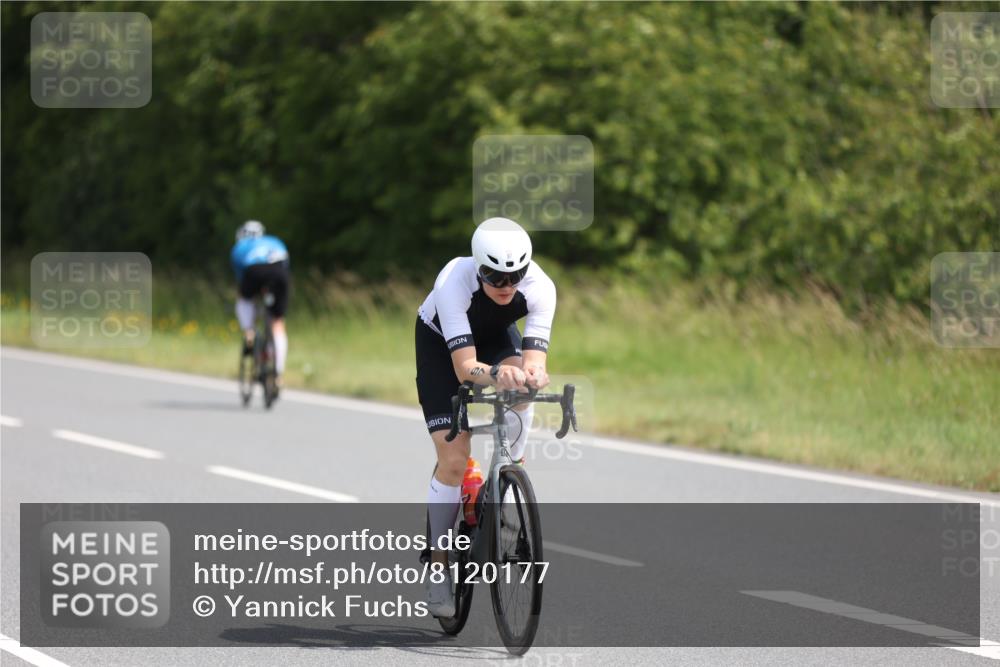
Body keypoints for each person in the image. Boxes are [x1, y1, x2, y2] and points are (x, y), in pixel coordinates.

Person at [415, 217, 556, 617]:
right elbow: (464, 368)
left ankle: (510, 466)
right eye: (495, 277)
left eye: (515, 276)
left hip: (494, 336)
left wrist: (533, 374)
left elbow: (534, 359)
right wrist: (495, 374)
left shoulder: (541, 287)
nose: (506, 286)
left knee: (523, 386)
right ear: (478, 267)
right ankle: (439, 565)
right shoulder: (453, 283)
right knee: (454, 459)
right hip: (442, 345)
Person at [230, 220, 290, 387]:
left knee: (244, 299)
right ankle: (278, 373)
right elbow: (286, 264)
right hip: (279, 272)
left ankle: (249, 331)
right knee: (277, 322)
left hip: (254, 270)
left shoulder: (240, 248)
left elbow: (242, 280)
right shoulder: (275, 241)